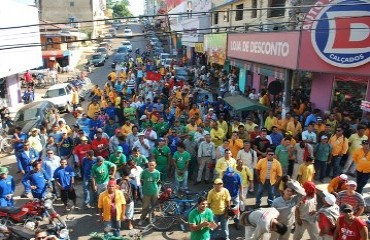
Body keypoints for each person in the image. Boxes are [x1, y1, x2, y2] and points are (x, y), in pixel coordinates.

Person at [138, 160, 160, 226]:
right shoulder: (144, 172)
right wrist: (144, 188)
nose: (151, 166)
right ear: (148, 165)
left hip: (154, 192)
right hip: (146, 192)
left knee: (154, 206)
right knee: (145, 207)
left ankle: (152, 218)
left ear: (155, 165)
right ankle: (142, 219)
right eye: (150, 165)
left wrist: (157, 192)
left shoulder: (157, 173)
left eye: (152, 165)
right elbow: (141, 180)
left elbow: (157, 181)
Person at [118, 166, 137, 230]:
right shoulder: (133, 181)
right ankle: (129, 225)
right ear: (129, 173)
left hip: (120, 201)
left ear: (122, 173)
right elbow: (136, 192)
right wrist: (134, 199)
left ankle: (119, 225)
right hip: (129, 200)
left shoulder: (118, 181)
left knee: (120, 212)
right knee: (129, 212)